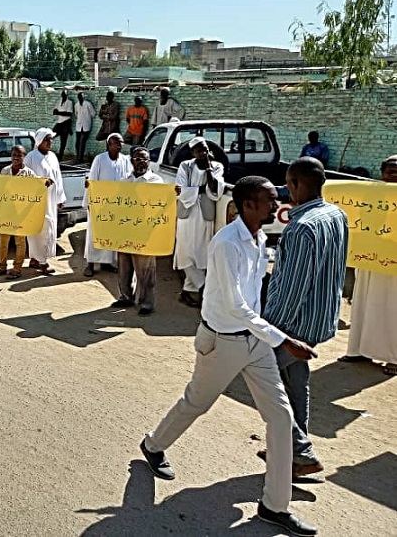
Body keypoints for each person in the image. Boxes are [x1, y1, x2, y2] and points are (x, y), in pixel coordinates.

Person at [141, 176, 318, 537]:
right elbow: (237, 306)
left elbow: (254, 295)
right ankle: (153, 445)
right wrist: (284, 340)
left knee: (281, 417)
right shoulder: (225, 244)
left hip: (256, 342)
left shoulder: (259, 237)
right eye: (270, 200)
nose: (276, 205)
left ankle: (275, 505)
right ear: (248, 205)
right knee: (196, 403)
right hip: (223, 342)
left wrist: (272, 334)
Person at [261, 157, 348, 478]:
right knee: (295, 384)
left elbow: (291, 289)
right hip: (319, 319)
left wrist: (271, 332)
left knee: (265, 382)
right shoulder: (336, 214)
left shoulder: (301, 228)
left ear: (296, 184)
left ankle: (301, 451)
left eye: (288, 184)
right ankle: (288, 450)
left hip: (293, 325)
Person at [339, 154, 397, 375]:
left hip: (393, 264)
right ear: (382, 173)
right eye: (390, 170)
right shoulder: (370, 195)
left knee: (392, 308)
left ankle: (394, 357)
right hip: (370, 259)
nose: (393, 175)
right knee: (364, 303)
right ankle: (359, 350)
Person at [173, 137, 225, 308]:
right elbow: (180, 190)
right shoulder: (185, 166)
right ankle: (203, 286)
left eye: (204, 149)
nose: (202, 152)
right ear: (192, 152)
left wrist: (208, 169)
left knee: (202, 252)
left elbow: (215, 189)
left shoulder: (216, 166)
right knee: (185, 251)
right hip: (187, 213)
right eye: (198, 150)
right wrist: (201, 190)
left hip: (205, 213)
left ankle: (187, 292)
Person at [113, 146, 164, 315]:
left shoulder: (155, 181)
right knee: (124, 265)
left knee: (145, 268)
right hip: (125, 229)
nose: (141, 162)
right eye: (138, 159)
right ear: (131, 161)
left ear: (149, 162)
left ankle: (146, 302)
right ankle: (125, 296)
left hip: (145, 230)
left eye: (145, 159)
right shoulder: (124, 181)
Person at [84, 133, 132, 276]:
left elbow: (129, 180)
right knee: (94, 233)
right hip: (99, 204)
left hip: (116, 205)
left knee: (111, 234)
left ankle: (106, 263)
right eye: (116, 143)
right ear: (109, 145)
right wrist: (89, 202)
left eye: (121, 143)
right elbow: (92, 181)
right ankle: (90, 264)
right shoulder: (100, 159)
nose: (119, 145)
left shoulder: (125, 160)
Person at [0, 145, 36, 280]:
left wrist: (46, 183)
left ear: (24, 157)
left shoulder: (29, 174)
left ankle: (17, 268)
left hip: (20, 213)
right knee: (2, 241)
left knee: (20, 242)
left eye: (19, 155)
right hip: (5, 212)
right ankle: (2, 266)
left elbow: (36, 187)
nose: (16, 157)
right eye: (14, 155)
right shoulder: (5, 171)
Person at [24, 128, 66, 275]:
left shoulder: (53, 156)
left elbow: (58, 178)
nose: (49, 142)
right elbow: (25, 177)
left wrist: (60, 198)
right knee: (38, 231)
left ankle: (36, 259)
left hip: (51, 200)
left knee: (48, 229)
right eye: (46, 139)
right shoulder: (31, 157)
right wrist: (41, 182)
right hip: (36, 201)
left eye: (51, 139)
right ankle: (42, 262)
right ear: (39, 141)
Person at [73, 91, 97, 163]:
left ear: (83, 97)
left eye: (82, 96)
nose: (81, 98)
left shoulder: (88, 104)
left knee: (82, 142)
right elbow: (76, 114)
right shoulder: (76, 105)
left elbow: (93, 114)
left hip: (86, 125)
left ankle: (80, 158)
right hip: (78, 125)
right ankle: (78, 156)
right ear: (78, 98)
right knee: (77, 143)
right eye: (80, 97)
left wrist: (86, 117)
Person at [52, 90, 74, 159]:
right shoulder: (60, 101)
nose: (63, 96)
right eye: (62, 94)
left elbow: (69, 114)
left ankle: (60, 155)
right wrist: (56, 111)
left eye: (64, 94)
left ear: (67, 95)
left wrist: (58, 113)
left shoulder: (69, 102)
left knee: (63, 140)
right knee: (51, 135)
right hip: (59, 122)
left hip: (66, 123)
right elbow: (55, 110)